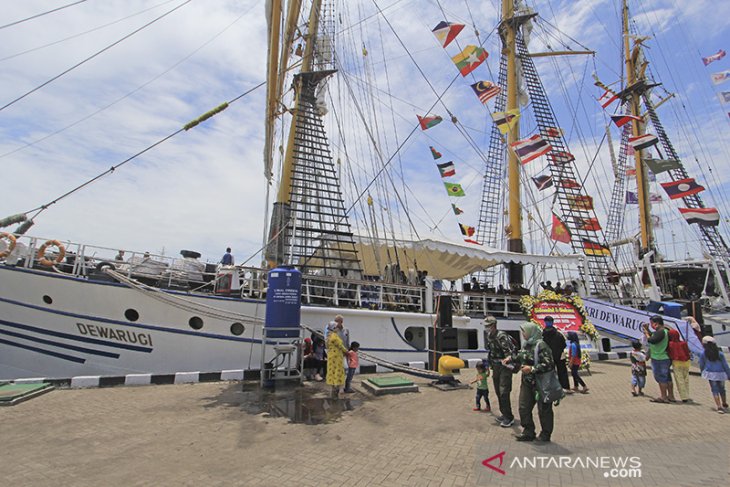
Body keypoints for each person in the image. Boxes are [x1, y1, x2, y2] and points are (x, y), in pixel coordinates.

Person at [503, 322, 556, 443]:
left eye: (524, 332)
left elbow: (549, 364)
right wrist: (510, 358)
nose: (523, 334)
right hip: (527, 382)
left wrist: (532, 369)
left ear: (531, 332)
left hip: (541, 383)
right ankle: (528, 431)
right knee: (523, 407)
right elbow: (522, 355)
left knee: (544, 410)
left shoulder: (541, 345)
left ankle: (545, 434)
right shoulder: (527, 344)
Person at [484, 315, 516, 427]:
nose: (487, 328)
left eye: (488, 326)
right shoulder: (489, 336)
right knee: (498, 391)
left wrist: (508, 360)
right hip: (496, 366)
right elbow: (491, 352)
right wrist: (488, 365)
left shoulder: (501, 336)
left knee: (504, 392)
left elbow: (508, 352)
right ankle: (504, 413)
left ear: (494, 325)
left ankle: (509, 417)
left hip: (504, 367)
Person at [643, 315, 676, 403]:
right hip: (664, 357)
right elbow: (654, 336)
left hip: (659, 358)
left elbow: (652, 340)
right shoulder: (664, 331)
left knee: (661, 378)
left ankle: (663, 396)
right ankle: (671, 396)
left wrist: (646, 332)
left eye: (652, 324)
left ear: (656, 324)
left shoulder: (661, 332)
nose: (651, 326)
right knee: (667, 377)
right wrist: (648, 330)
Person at [698, 336, 730, 413]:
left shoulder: (703, 354)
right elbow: (725, 365)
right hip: (721, 373)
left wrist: (702, 371)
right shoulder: (720, 354)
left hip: (711, 373)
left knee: (714, 390)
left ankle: (719, 406)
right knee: (722, 389)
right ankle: (724, 402)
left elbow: (702, 364)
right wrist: (729, 374)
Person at [541, 316, 571, 394]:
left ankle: (550, 387)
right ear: (553, 322)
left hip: (548, 356)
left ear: (545, 322)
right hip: (559, 355)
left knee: (549, 372)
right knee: (562, 371)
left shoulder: (543, 335)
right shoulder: (558, 334)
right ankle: (565, 387)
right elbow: (564, 345)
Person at [668, 328, 691, 402]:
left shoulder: (670, 344)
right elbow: (687, 352)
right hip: (686, 362)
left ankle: (684, 396)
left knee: (679, 380)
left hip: (677, 363)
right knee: (686, 379)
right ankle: (687, 394)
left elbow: (670, 353)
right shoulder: (684, 343)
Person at [326, 322, 347, 397]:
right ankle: (339, 388)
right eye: (336, 327)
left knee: (332, 371)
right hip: (337, 357)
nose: (338, 328)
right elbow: (340, 346)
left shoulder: (328, 336)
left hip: (331, 356)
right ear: (334, 328)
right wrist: (347, 351)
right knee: (339, 371)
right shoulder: (334, 336)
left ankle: (333, 387)